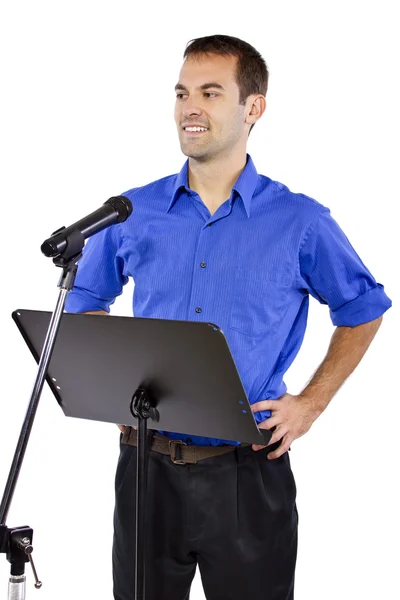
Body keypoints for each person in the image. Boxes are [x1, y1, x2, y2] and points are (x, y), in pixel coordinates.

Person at [65, 34, 392, 600]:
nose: (190, 108)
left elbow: (363, 309)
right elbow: (83, 301)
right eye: (182, 93)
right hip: (147, 469)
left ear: (253, 107)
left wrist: (311, 403)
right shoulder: (131, 211)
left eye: (211, 93)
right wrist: (108, 391)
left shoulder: (301, 221)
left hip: (248, 473)